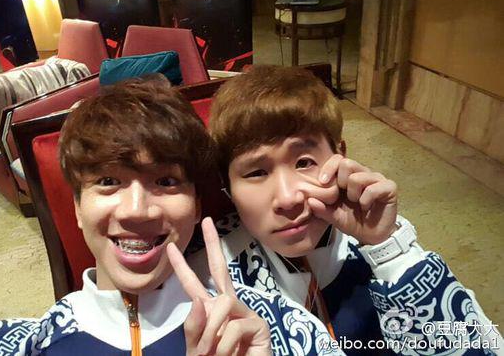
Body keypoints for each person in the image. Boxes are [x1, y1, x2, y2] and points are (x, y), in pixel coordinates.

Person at [0, 78, 342, 355]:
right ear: (77, 207)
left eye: (165, 181)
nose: (136, 210)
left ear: (197, 205)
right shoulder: (29, 343)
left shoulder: (271, 325)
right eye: (108, 181)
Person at [207, 65, 502, 355]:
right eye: (256, 172)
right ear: (227, 185)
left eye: (304, 162)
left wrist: (389, 249)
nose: (287, 198)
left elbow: (481, 347)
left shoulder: (382, 236)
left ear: (341, 156)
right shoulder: (215, 273)